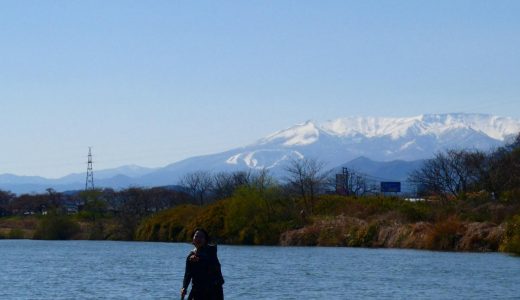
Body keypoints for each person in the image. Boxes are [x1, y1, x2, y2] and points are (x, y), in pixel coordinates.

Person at [181, 228, 224, 300]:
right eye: (196, 236)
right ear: (193, 239)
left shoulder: (211, 251)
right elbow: (188, 274)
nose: (198, 239)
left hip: (213, 290)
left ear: (205, 240)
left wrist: (199, 258)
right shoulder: (190, 257)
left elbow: (211, 263)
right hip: (197, 290)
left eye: (201, 237)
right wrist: (184, 287)